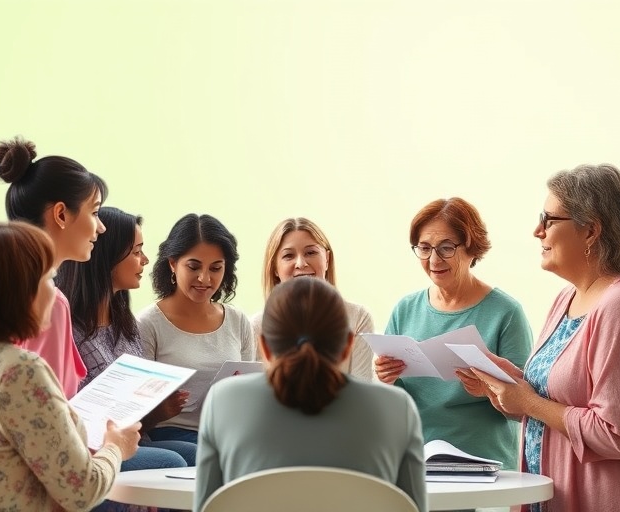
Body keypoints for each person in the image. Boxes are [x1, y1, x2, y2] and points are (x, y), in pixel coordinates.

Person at [458, 164, 620, 511]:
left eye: (548, 219)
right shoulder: (568, 299)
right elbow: (560, 405)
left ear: (590, 230)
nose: (537, 231)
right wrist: (508, 387)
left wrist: (528, 403)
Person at [0, 220, 141, 511]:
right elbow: (83, 491)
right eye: (49, 278)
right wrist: (115, 446)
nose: (55, 293)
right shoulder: (18, 372)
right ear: (19, 292)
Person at [194, 278, 427, 512]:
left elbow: (206, 505)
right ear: (348, 345)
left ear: (264, 346)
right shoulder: (397, 408)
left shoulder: (223, 401)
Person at [374, 197, 533, 469]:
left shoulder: (506, 313)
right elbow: (394, 405)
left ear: (472, 248)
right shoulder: (405, 309)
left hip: (485, 467)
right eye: (425, 248)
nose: (434, 260)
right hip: (418, 462)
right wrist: (387, 379)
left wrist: (488, 390)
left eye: (446, 248)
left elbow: (524, 409)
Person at [56, 206, 196, 471]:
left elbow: (133, 418)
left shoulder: (125, 322)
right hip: (92, 449)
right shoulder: (68, 328)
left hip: (133, 440)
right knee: (172, 461)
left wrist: (158, 413)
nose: (145, 260)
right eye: (136, 252)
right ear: (108, 257)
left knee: (199, 455)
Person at [0, 136, 107, 398]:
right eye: (95, 212)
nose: (101, 227)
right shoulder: (49, 303)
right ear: (61, 214)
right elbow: (45, 408)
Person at [136, 213, 256, 444]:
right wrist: (161, 410)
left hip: (225, 434)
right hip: (170, 435)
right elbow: (137, 409)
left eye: (216, 268)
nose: (204, 278)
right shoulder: (148, 323)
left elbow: (248, 394)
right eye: (193, 267)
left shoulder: (238, 321)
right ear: (172, 263)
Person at [250, 217, 375, 380]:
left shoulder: (357, 317)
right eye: (288, 256)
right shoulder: (257, 326)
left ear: (327, 259)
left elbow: (361, 385)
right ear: (274, 268)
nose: (301, 263)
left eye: (310, 253)